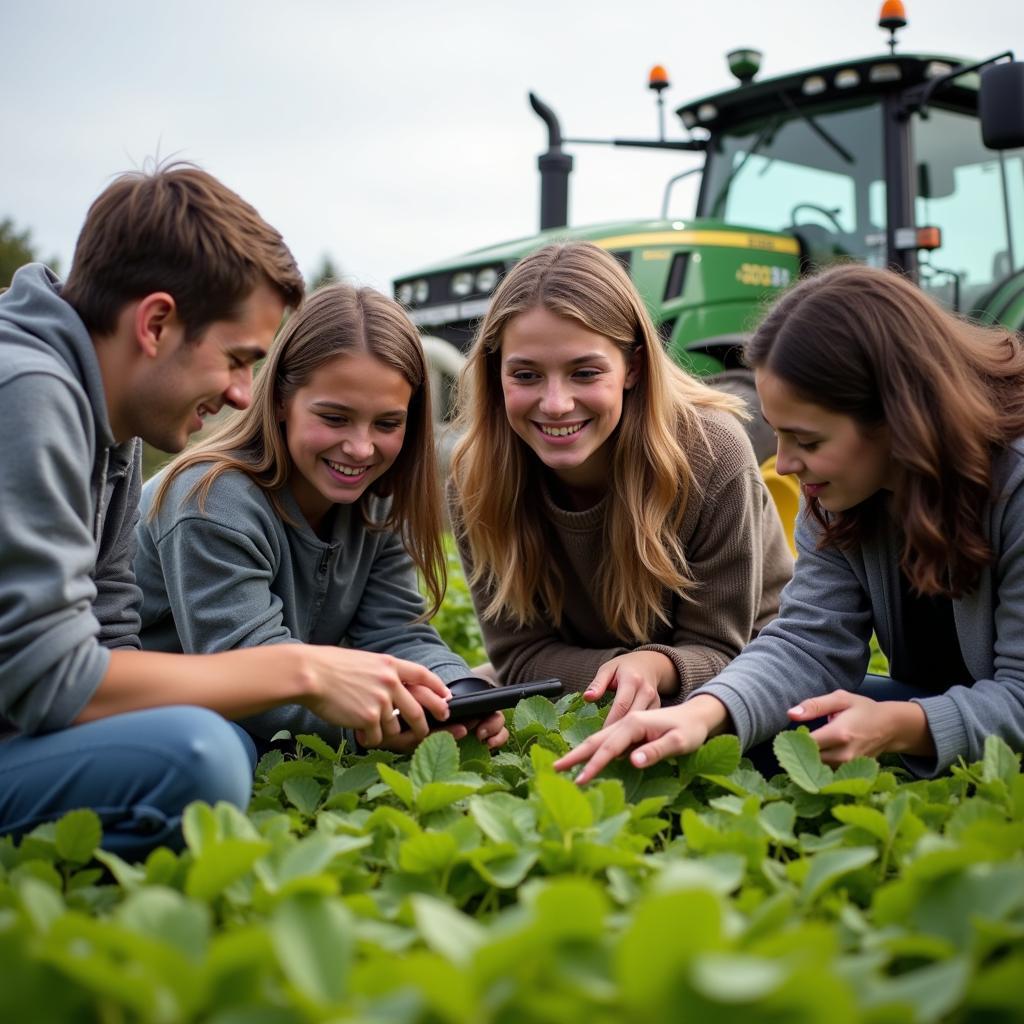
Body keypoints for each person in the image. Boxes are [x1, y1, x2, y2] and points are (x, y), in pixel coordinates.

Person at [0, 165, 450, 859]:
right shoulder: (28, 393)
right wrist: (305, 672)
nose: (244, 394)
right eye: (239, 360)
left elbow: (109, 635)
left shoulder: (112, 422)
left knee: (200, 746)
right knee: (200, 755)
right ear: (155, 323)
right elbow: (50, 675)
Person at [556, 263, 1024, 785]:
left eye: (809, 440)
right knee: (754, 729)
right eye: (779, 434)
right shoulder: (841, 492)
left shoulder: (1016, 484)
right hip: (932, 706)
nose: (787, 462)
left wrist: (906, 725)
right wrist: (699, 714)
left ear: (899, 417)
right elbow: (807, 643)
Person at [135, 283, 508, 753]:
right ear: (279, 402)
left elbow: (396, 632)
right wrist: (372, 726)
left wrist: (456, 694)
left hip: (248, 713)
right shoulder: (211, 501)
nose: (360, 448)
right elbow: (248, 677)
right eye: (334, 418)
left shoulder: (374, 503)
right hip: (157, 720)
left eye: (387, 424)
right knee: (228, 750)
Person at [448, 242, 793, 723]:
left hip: (738, 681)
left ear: (631, 367)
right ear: (495, 372)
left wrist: (652, 666)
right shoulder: (476, 479)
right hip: (614, 685)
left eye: (584, 372)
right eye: (525, 375)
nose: (555, 403)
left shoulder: (713, 451)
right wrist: (619, 672)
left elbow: (721, 649)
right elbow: (518, 657)